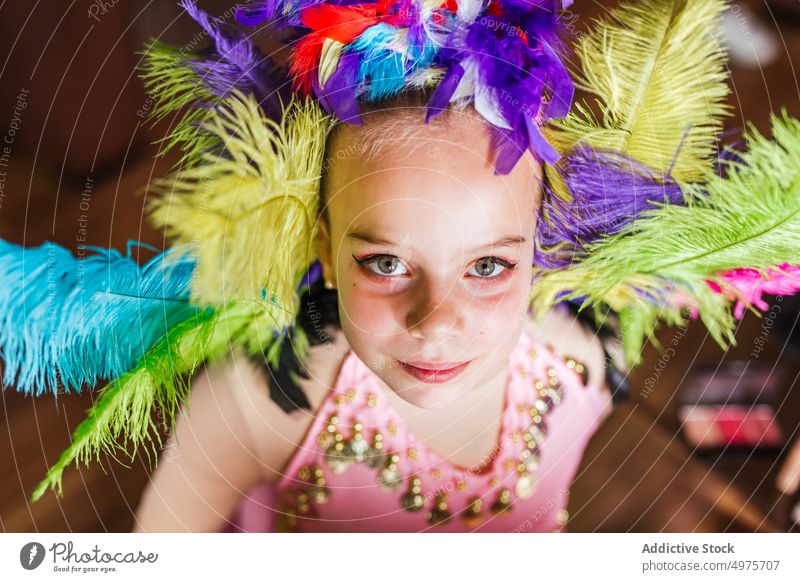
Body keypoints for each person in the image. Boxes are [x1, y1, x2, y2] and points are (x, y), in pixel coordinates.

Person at [130, 88, 618, 532]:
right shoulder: (253, 402)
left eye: (488, 266)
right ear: (326, 249)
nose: (436, 324)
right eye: (387, 264)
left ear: (538, 251)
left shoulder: (580, 365)